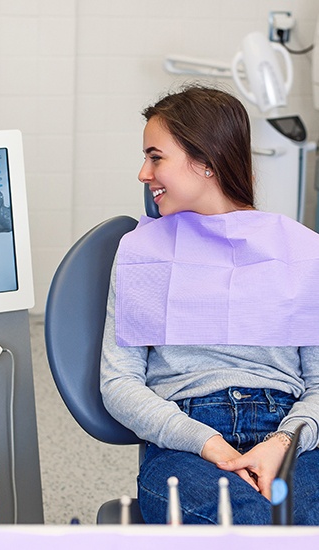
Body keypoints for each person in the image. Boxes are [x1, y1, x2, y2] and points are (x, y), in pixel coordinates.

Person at [100, 85, 319, 525]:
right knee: (250, 524)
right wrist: (207, 443)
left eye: (156, 156)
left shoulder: (300, 251)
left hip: (289, 432)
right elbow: (118, 383)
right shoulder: (141, 252)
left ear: (205, 161)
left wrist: (282, 443)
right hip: (186, 438)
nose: (144, 173)